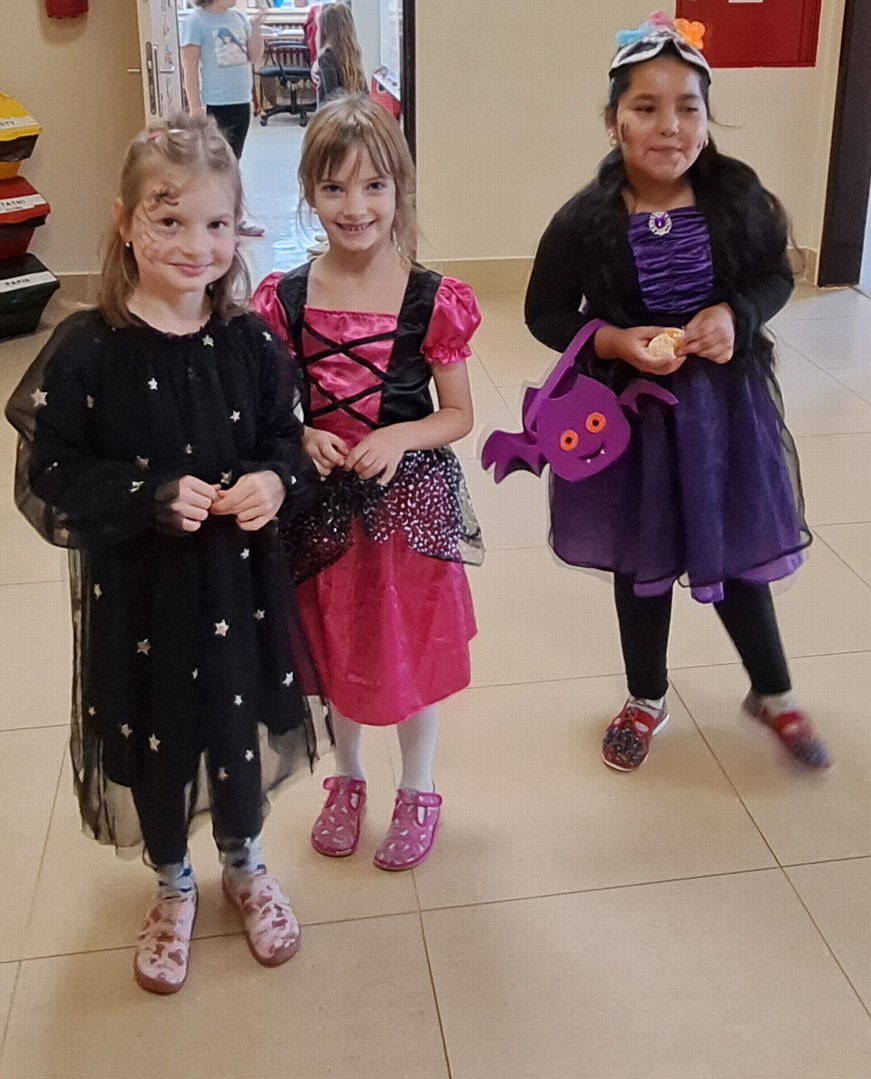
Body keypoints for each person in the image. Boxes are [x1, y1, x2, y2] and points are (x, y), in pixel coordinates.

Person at [5, 114, 328, 995]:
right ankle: (172, 882)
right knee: (155, 736)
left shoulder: (250, 342)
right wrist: (145, 496)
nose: (196, 244)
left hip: (238, 590)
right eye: (169, 219)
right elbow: (51, 470)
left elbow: (287, 442)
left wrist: (272, 481)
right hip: (140, 598)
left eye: (216, 223)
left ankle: (245, 863)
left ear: (239, 227)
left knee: (234, 723)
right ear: (124, 222)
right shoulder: (89, 349)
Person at [523, 13, 831, 773]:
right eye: (646, 107)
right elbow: (544, 312)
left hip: (722, 413)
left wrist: (737, 314)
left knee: (736, 548)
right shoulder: (585, 219)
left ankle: (773, 691)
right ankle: (646, 695)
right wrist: (611, 340)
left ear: (706, 115)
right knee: (641, 559)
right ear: (612, 121)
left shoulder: (738, 199)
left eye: (688, 107)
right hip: (631, 421)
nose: (669, 126)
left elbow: (773, 275)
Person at [252, 95, 484, 871]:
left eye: (374, 186)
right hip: (322, 512)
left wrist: (396, 435)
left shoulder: (432, 298)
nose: (355, 207)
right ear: (309, 193)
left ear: (399, 188)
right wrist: (300, 434)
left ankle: (417, 787)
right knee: (335, 647)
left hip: (407, 511)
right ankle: (346, 777)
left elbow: (457, 414)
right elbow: (271, 409)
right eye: (334, 188)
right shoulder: (285, 298)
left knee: (406, 651)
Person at [180, 0, 267, 236]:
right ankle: (216, 218)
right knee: (217, 165)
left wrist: (256, 27)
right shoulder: (196, 21)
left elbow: (255, 56)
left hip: (242, 103)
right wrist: (195, 108)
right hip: (216, 106)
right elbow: (189, 68)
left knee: (233, 164)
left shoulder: (238, 19)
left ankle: (232, 218)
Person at [314, 1, 368, 108]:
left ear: (325, 29)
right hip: (353, 110)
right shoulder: (352, 54)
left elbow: (331, 96)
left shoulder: (326, 59)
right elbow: (364, 92)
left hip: (333, 114)